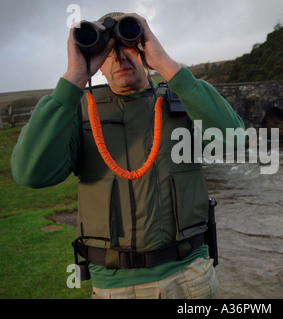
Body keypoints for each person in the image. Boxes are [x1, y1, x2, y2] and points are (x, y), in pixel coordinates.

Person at [10, 12, 244, 299]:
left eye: (130, 46)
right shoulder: (80, 112)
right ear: (96, 61)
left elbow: (233, 139)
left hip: (190, 274)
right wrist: (74, 78)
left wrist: (167, 66)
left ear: (146, 48)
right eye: (107, 51)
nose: (120, 58)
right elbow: (30, 173)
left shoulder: (183, 101)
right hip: (116, 285)